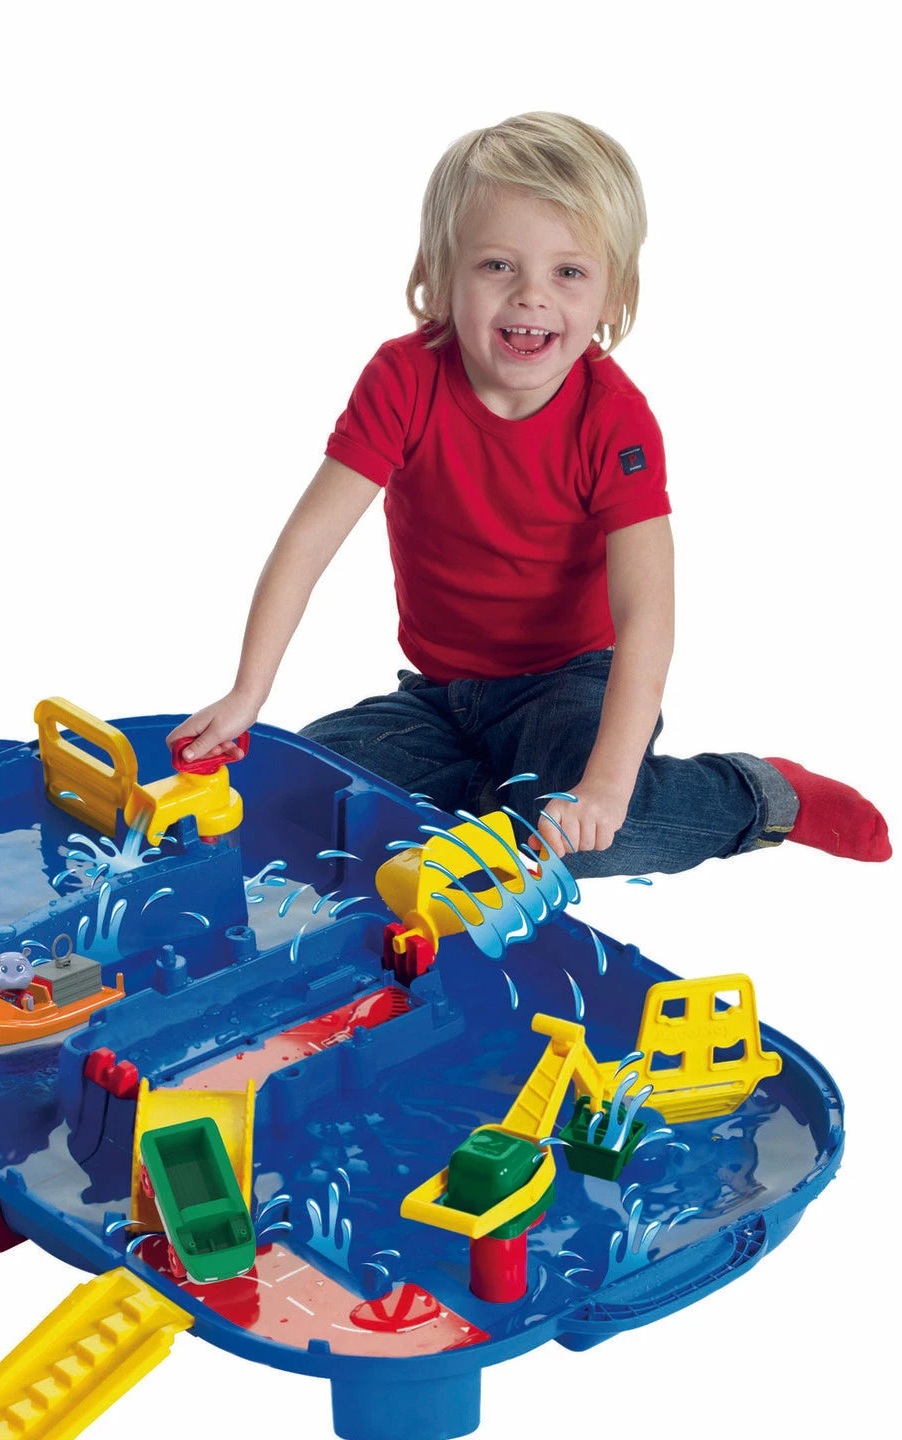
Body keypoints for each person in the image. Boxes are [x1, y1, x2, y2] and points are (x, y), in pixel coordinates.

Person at [167, 112, 889, 875]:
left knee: (585, 835)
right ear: (440, 277)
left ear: (613, 295)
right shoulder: (402, 379)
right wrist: (248, 692)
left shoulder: (614, 419)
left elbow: (646, 614)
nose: (531, 297)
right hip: (439, 698)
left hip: (569, 685)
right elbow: (307, 542)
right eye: (497, 266)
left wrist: (606, 787)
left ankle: (760, 794)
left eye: (568, 273)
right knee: (293, 796)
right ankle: (491, 803)